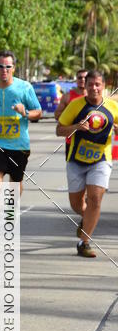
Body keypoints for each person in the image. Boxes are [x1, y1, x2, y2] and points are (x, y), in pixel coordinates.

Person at [56, 69, 118, 258]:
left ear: (104, 86)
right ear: (86, 86)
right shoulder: (75, 106)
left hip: (101, 159)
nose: (94, 88)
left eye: (98, 84)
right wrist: (76, 127)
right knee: (76, 204)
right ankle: (87, 218)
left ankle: (84, 242)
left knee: (95, 199)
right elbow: (59, 130)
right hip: (76, 160)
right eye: (90, 84)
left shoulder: (112, 107)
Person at [0, 51, 41, 195]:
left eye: (8, 67)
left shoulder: (25, 87)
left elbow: (38, 112)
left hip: (19, 145)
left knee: (14, 186)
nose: (5, 70)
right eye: (1, 66)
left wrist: (25, 113)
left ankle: (10, 215)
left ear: (14, 68)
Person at [54, 69, 88, 158]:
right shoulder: (67, 96)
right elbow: (57, 115)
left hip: (91, 142)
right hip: (72, 142)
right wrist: (71, 117)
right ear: (76, 79)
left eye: (85, 77)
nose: (83, 80)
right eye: (80, 77)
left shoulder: (95, 97)